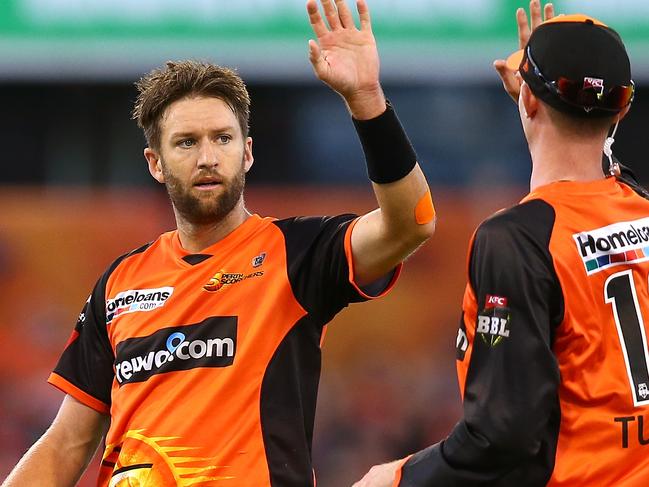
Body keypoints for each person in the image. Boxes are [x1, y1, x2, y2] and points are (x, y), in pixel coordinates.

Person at [1, 1, 435, 486]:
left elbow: (410, 224)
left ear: (247, 153)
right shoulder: (120, 283)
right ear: (155, 163)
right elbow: (67, 442)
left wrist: (368, 99)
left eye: (223, 139)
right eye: (187, 142)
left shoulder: (298, 251)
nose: (208, 157)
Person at [353, 1, 649, 486]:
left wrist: (401, 476)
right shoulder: (638, 202)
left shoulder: (516, 238)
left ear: (528, 101)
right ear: (623, 109)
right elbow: (603, 170)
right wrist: (546, 95)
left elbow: (502, 435)